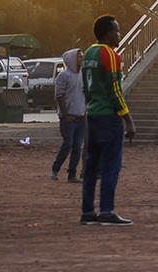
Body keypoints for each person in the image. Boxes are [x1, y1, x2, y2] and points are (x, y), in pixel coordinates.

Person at [78, 15, 137, 226]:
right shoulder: (110, 54)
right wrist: (127, 118)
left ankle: (87, 211)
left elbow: (85, 85)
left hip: (92, 114)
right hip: (108, 117)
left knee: (92, 166)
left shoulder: (88, 54)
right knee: (111, 165)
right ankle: (107, 210)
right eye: (117, 31)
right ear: (108, 33)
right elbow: (115, 90)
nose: (119, 35)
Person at [50, 48, 86, 183]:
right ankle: (55, 168)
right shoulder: (63, 76)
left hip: (81, 117)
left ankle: (72, 174)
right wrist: (65, 114)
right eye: (79, 57)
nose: (81, 59)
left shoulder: (83, 75)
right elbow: (59, 96)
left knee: (78, 146)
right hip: (68, 118)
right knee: (68, 144)